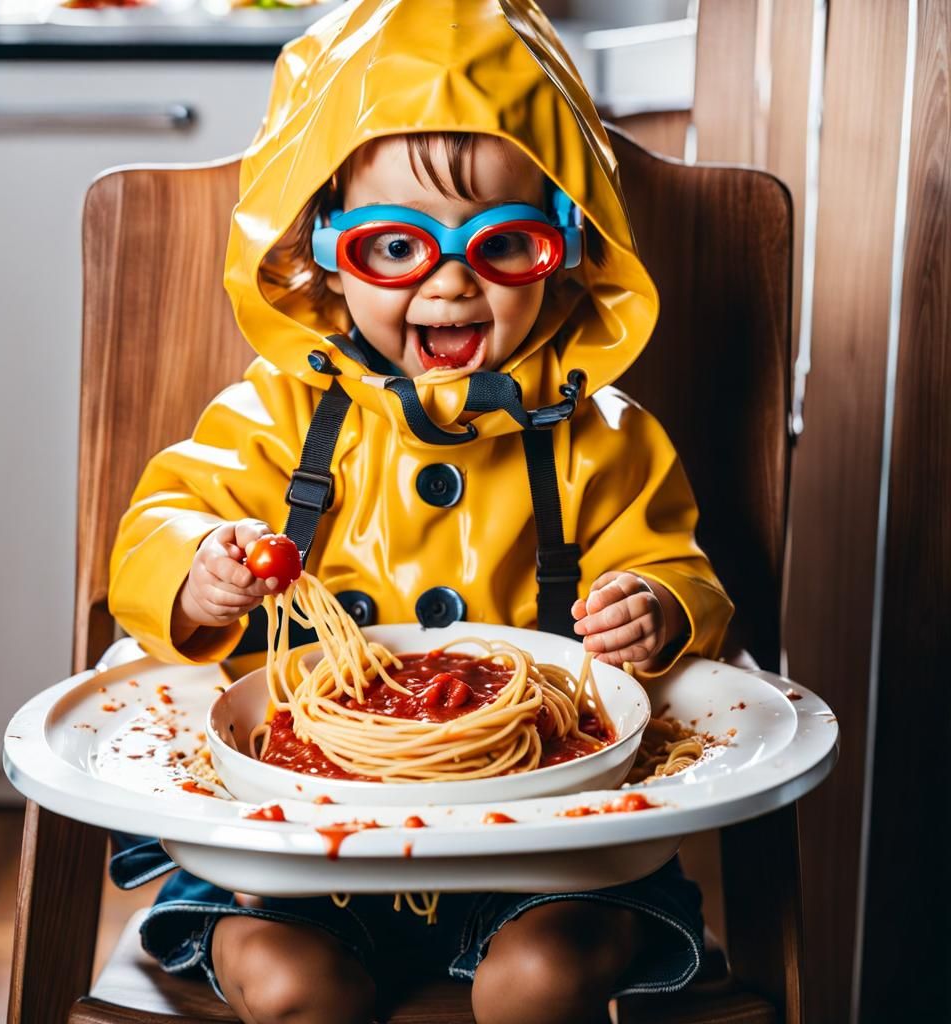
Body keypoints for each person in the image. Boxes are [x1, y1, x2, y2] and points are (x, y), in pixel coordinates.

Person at [107, 2, 734, 1022]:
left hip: (549, 832)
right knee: (285, 978)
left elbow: (680, 563)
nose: (449, 283)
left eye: (504, 244)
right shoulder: (273, 418)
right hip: (298, 834)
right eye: (392, 247)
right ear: (321, 248)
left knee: (539, 977)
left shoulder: (604, 436)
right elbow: (159, 526)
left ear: (569, 244)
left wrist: (659, 603)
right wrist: (203, 567)